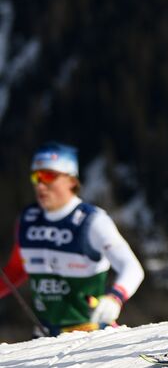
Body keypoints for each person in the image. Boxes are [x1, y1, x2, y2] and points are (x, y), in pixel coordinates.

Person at [0, 143, 144, 334]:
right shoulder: (27, 220)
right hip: (44, 335)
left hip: (91, 332)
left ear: (71, 180)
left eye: (49, 176)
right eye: (36, 177)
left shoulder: (92, 221)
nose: (40, 185)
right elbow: (17, 270)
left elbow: (132, 268)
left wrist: (115, 297)